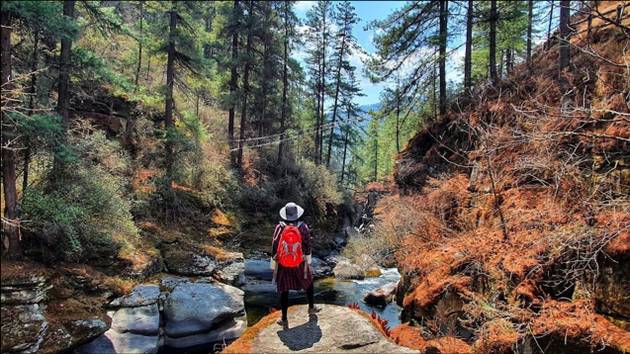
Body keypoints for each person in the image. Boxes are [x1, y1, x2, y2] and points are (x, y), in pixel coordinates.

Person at [271, 202, 321, 327]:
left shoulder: (280, 227)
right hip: (300, 262)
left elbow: (274, 245)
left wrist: (273, 262)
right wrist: (308, 260)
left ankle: (284, 319)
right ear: (297, 214)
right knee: (308, 282)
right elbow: (308, 245)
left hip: (283, 264)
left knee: (284, 290)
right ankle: (311, 307)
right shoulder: (303, 227)